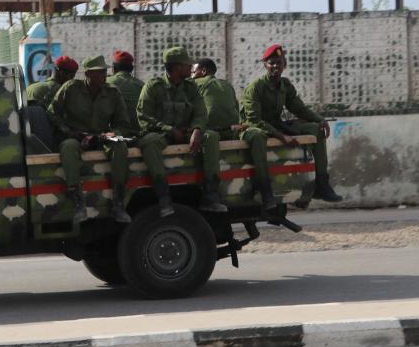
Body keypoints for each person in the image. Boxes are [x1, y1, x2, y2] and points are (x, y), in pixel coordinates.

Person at [240, 44, 343, 203]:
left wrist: (320, 120)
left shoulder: (285, 85)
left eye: (279, 62)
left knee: (315, 129)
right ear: (265, 65)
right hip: (256, 128)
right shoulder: (255, 88)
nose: (275, 66)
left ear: (284, 64)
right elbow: (253, 120)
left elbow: (299, 108)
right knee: (258, 136)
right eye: (271, 62)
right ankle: (264, 188)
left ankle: (321, 185)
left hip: (276, 125)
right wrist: (282, 136)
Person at [136, 46, 227, 217]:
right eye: (187, 65)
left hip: (186, 133)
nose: (190, 68)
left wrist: (197, 130)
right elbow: (143, 117)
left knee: (212, 137)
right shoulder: (154, 87)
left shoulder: (191, 88)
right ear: (177, 67)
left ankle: (210, 195)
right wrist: (169, 130)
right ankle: (164, 198)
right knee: (148, 142)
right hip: (162, 135)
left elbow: (201, 112)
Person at [49, 55, 133, 224]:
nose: (104, 75)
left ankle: (118, 203)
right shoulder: (70, 88)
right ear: (87, 74)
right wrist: (68, 131)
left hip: (101, 136)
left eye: (105, 71)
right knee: (68, 147)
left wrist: (111, 134)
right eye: (100, 72)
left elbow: (123, 124)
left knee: (120, 146)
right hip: (76, 136)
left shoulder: (112, 92)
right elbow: (52, 113)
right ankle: (79, 204)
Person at [192, 57, 277, 211]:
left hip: (212, 132)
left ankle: (210, 194)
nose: (191, 75)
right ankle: (266, 192)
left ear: (203, 71)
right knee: (257, 135)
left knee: (210, 138)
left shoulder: (194, 84)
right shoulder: (227, 85)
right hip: (232, 130)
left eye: (193, 71)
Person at [107, 50, 143, 127]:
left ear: (114, 68)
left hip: (115, 131)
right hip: (138, 130)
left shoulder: (106, 82)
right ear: (131, 68)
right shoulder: (142, 85)